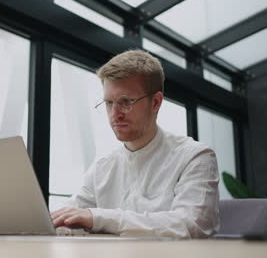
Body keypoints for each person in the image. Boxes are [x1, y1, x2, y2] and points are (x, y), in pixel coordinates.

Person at [50, 50, 219, 238]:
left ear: (155, 102)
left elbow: (191, 225)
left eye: (126, 102)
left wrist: (99, 217)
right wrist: (60, 223)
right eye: (108, 103)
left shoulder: (195, 157)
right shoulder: (102, 167)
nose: (115, 114)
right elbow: (69, 212)